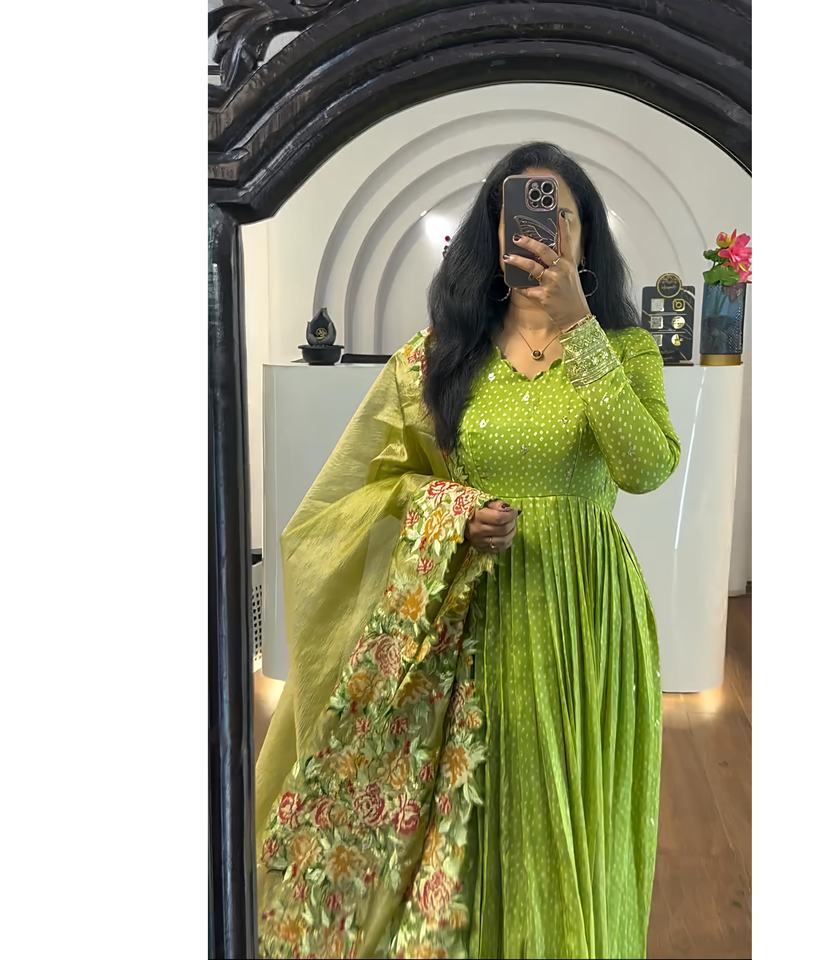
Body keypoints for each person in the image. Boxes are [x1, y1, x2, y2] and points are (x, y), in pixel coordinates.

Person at [255, 141, 681, 959]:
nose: (542, 231)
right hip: (473, 612)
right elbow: (359, 491)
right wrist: (453, 512)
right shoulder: (442, 356)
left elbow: (646, 469)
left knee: (570, 812)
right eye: (523, 214)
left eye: (561, 215)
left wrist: (580, 328)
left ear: (586, 233)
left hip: (586, 619)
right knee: (481, 811)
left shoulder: (624, 350)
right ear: (494, 232)